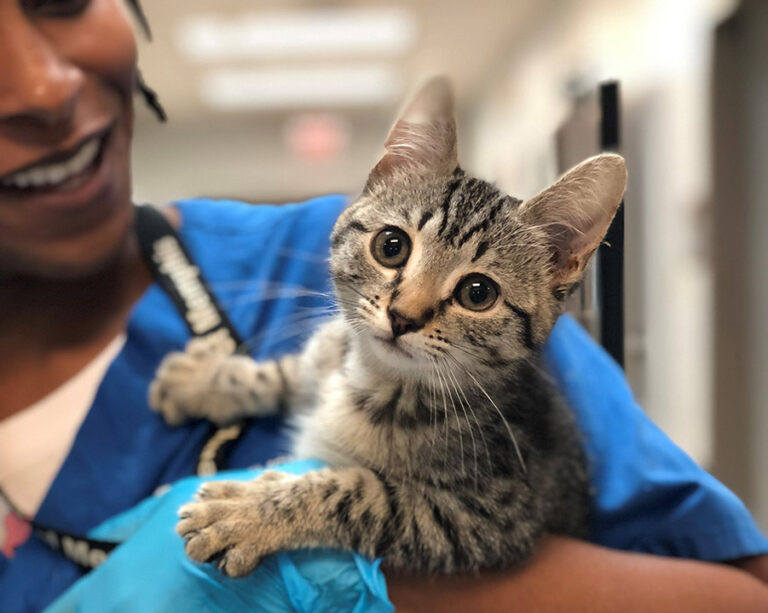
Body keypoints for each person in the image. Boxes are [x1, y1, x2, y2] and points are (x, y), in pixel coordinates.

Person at [0, 0, 766, 611]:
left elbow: (739, 592)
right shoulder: (342, 311)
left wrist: (328, 565)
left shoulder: (286, 258)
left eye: (471, 292)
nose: (408, 308)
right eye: (395, 251)